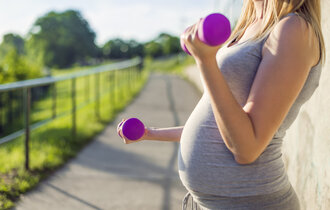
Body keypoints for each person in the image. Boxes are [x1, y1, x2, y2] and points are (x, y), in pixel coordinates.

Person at [117, 0, 325, 209]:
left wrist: (206, 62)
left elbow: (247, 148)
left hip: (252, 202)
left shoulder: (294, 29)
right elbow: (218, 124)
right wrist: (150, 133)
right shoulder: (249, 27)